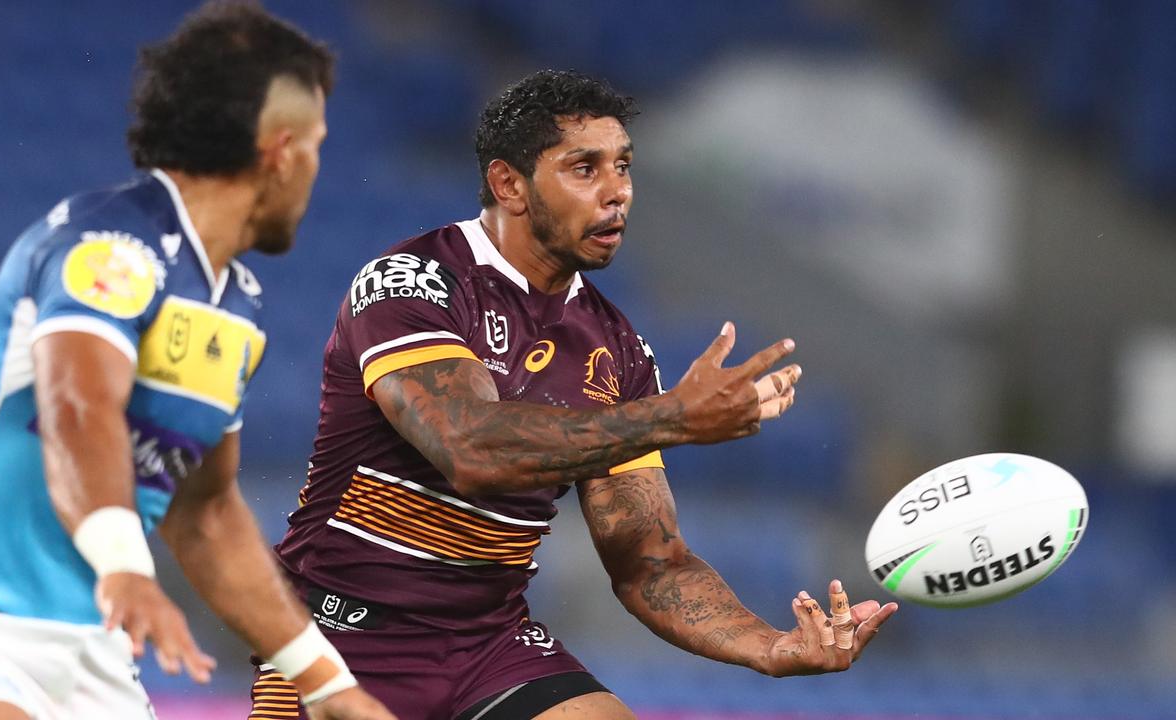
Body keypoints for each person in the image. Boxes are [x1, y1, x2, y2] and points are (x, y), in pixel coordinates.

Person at [248, 70, 899, 720]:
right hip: (339, 638)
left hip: (487, 645)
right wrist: (672, 417)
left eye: (624, 166)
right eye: (584, 168)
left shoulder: (615, 352)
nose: (617, 192)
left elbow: (652, 565)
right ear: (510, 185)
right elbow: (468, 446)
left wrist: (774, 647)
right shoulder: (415, 283)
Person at [0, 3, 395, 719]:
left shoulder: (237, 308)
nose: (316, 169)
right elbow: (75, 408)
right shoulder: (110, 250)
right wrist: (127, 569)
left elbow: (206, 513)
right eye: (316, 145)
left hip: (94, 647)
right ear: (280, 150)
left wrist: (325, 681)